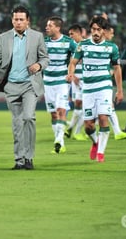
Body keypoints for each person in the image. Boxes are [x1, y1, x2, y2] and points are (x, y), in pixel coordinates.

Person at [0, 5, 49, 170]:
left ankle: (29, 157)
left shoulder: (37, 37)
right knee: (17, 123)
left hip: (30, 85)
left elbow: (45, 58)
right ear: (12, 20)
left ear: (28, 21)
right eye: (16, 19)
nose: (18, 22)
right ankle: (19, 160)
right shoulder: (3, 38)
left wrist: (38, 65)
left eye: (22, 19)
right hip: (11, 86)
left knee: (28, 118)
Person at [67, 16, 123, 163]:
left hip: (104, 87)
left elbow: (117, 69)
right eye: (93, 29)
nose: (96, 32)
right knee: (88, 126)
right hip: (88, 89)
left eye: (99, 29)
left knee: (104, 118)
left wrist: (119, 90)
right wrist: (70, 72)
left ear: (104, 31)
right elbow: (73, 62)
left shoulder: (112, 47)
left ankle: (101, 153)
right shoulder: (83, 45)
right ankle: (95, 141)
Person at [44, 16, 77, 154]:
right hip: (47, 82)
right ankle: (60, 143)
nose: (47, 28)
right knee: (53, 115)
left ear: (58, 28)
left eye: (50, 25)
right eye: (47, 25)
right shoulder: (43, 42)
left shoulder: (69, 42)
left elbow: (76, 59)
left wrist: (71, 73)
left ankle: (58, 140)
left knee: (61, 110)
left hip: (62, 81)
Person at [104, 24, 126, 141]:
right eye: (111, 32)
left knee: (109, 106)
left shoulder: (111, 47)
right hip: (90, 82)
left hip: (104, 82)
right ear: (104, 32)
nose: (113, 35)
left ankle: (117, 132)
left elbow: (117, 62)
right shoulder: (91, 44)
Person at [65, 24, 87, 140]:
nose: (70, 36)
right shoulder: (73, 47)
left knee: (85, 106)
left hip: (85, 80)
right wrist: (73, 76)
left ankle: (73, 130)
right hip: (76, 81)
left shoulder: (86, 45)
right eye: (69, 34)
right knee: (79, 105)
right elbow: (70, 63)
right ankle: (75, 131)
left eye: (71, 34)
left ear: (79, 33)